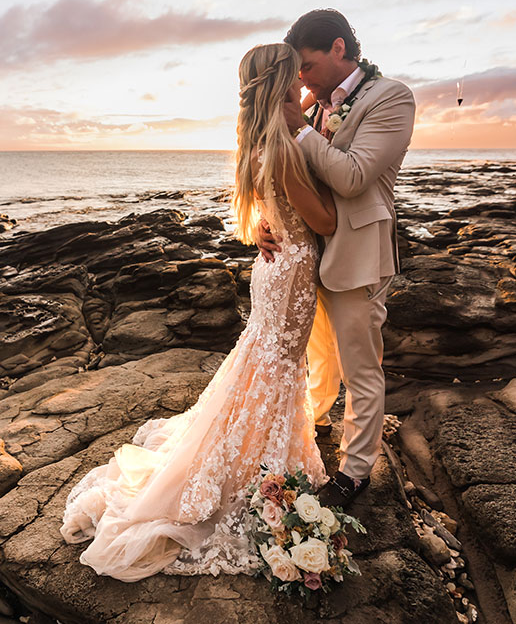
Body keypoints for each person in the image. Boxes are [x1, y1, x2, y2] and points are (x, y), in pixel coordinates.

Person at [60, 42, 336, 582]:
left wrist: (266, 220)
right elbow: (324, 223)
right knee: (275, 366)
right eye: (293, 75)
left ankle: (263, 450)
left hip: (275, 270)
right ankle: (258, 462)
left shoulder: (257, 141)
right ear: (279, 81)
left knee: (266, 365)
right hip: (293, 270)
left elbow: (263, 209)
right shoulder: (284, 145)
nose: (302, 83)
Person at [256, 9, 415, 508]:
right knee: (319, 351)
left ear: (340, 49)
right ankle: (317, 417)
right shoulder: (317, 103)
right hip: (308, 252)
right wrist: (269, 223)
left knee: (360, 365)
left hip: (357, 252)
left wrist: (301, 128)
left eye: (306, 65)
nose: (300, 77)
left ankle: (355, 470)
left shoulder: (391, 97)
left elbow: (352, 177)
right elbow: (293, 176)